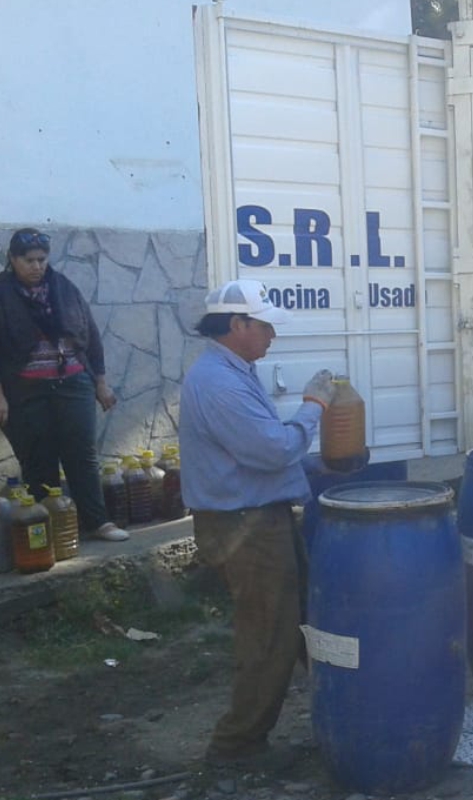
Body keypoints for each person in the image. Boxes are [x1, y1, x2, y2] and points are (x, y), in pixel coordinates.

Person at [178, 278, 341, 766]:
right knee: (270, 635)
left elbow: (253, 453)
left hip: (256, 517)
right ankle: (237, 746)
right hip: (244, 526)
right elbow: (272, 450)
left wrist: (315, 464)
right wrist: (314, 408)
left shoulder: (233, 370)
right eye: (266, 326)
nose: (273, 335)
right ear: (237, 324)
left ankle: (347, 708)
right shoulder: (220, 382)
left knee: (306, 619)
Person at [0, 228, 129, 542]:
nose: (36, 266)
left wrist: (100, 383)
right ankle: (49, 532)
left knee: (82, 455)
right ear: (13, 259)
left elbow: (90, 337)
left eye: (41, 259)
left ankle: (98, 522)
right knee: (38, 459)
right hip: (25, 390)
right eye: (28, 260)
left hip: (73, 383)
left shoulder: (63, 288)